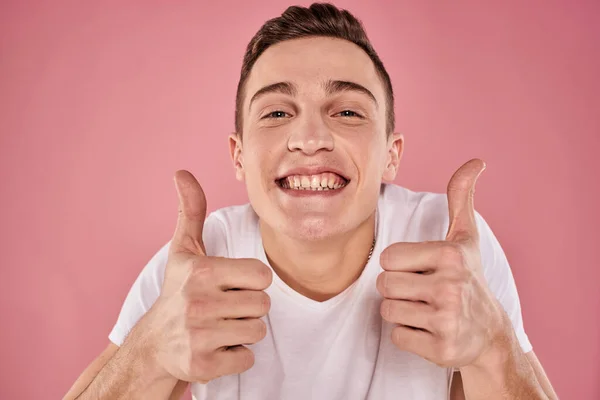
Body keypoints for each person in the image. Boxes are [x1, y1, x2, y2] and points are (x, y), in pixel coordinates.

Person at [65, 3, 557, 400]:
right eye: (277, 112)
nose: (310, 137)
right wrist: (148, 353)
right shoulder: (196, 264)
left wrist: (493, 349)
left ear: (391, 154)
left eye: (346, 110)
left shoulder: (450, 246)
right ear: (238, 156)